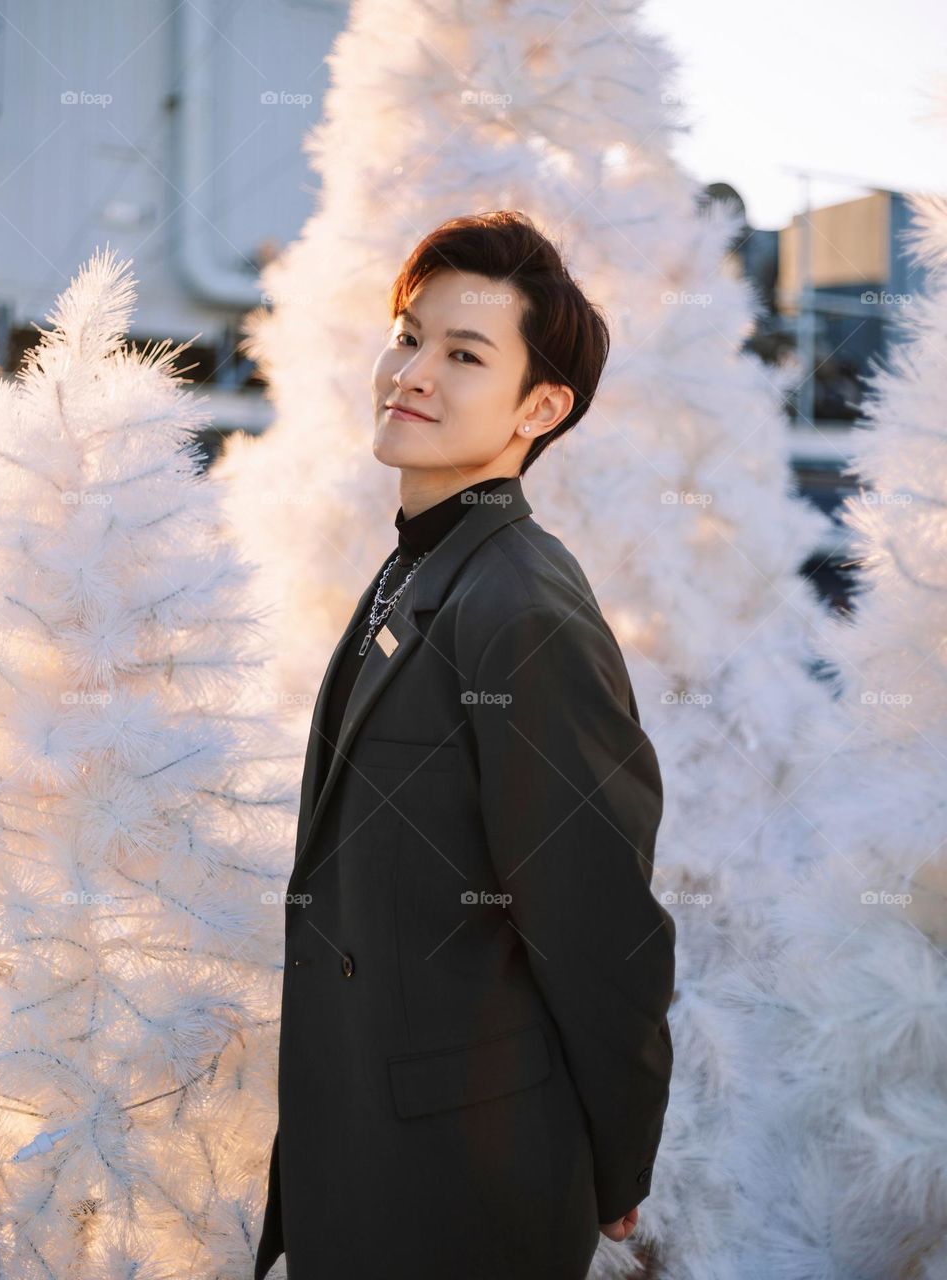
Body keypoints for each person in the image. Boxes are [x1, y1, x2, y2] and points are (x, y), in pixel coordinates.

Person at [254, 210, 676, 1280]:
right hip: (369, 1147)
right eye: (408, 336)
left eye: (464, 354)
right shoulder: (422, 565)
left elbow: (601, 925)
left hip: (462, 1186)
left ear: (541, 407)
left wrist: (618, 1168)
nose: (412, 372)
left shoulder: (521, 605)